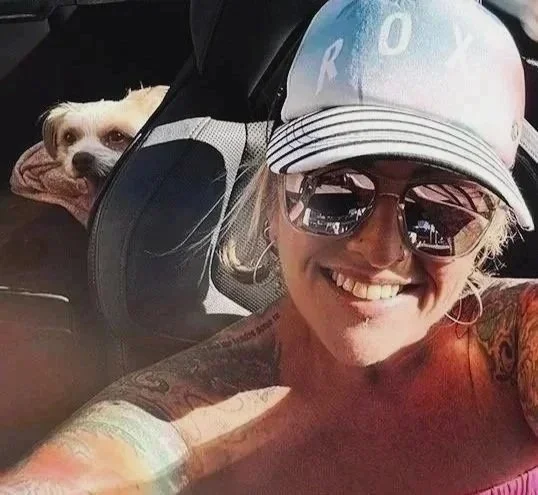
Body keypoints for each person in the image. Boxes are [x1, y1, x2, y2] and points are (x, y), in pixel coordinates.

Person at [2, 0, 538, 493]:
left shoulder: (517, 340)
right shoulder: (173, 416)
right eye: (335, 192)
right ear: (270, 203)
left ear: (486, 236)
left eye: (442, 209)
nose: (380, 251)